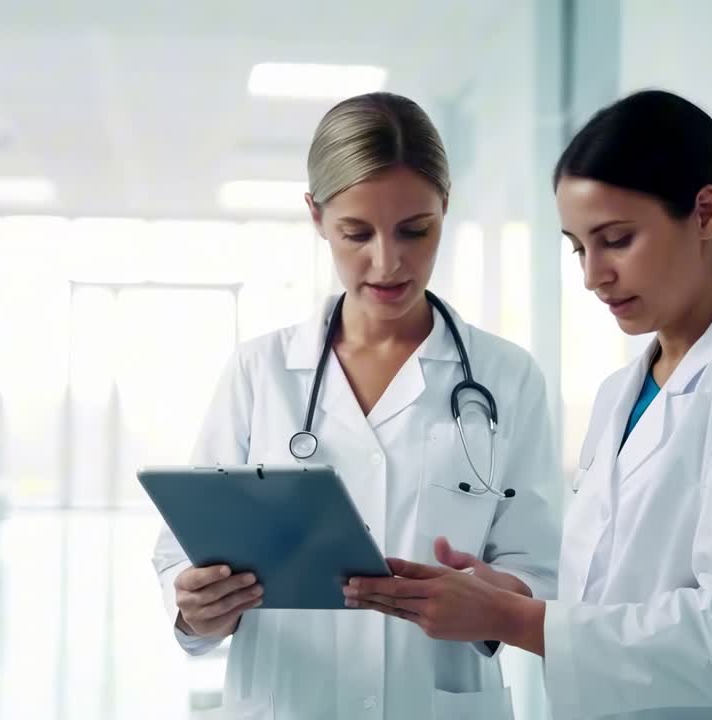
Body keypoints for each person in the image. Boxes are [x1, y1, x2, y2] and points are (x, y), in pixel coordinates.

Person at [344, 89, 712, 720]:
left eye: (616, 239)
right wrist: (515, 596)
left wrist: (517, 618)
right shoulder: (623, 393)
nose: (593, 275)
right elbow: (618, 600)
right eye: (579, 247)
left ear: (704, 212)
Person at [151, 91, 561, 719]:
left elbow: (540, 566)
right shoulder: (260, 373)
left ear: (445, 209)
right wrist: (197, 607)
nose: (387, 261)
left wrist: (494, 599)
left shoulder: (507, 378)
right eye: (356, 232)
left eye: (414, 230)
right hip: (288, 700)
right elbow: (183, 550)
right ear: (315, 216)